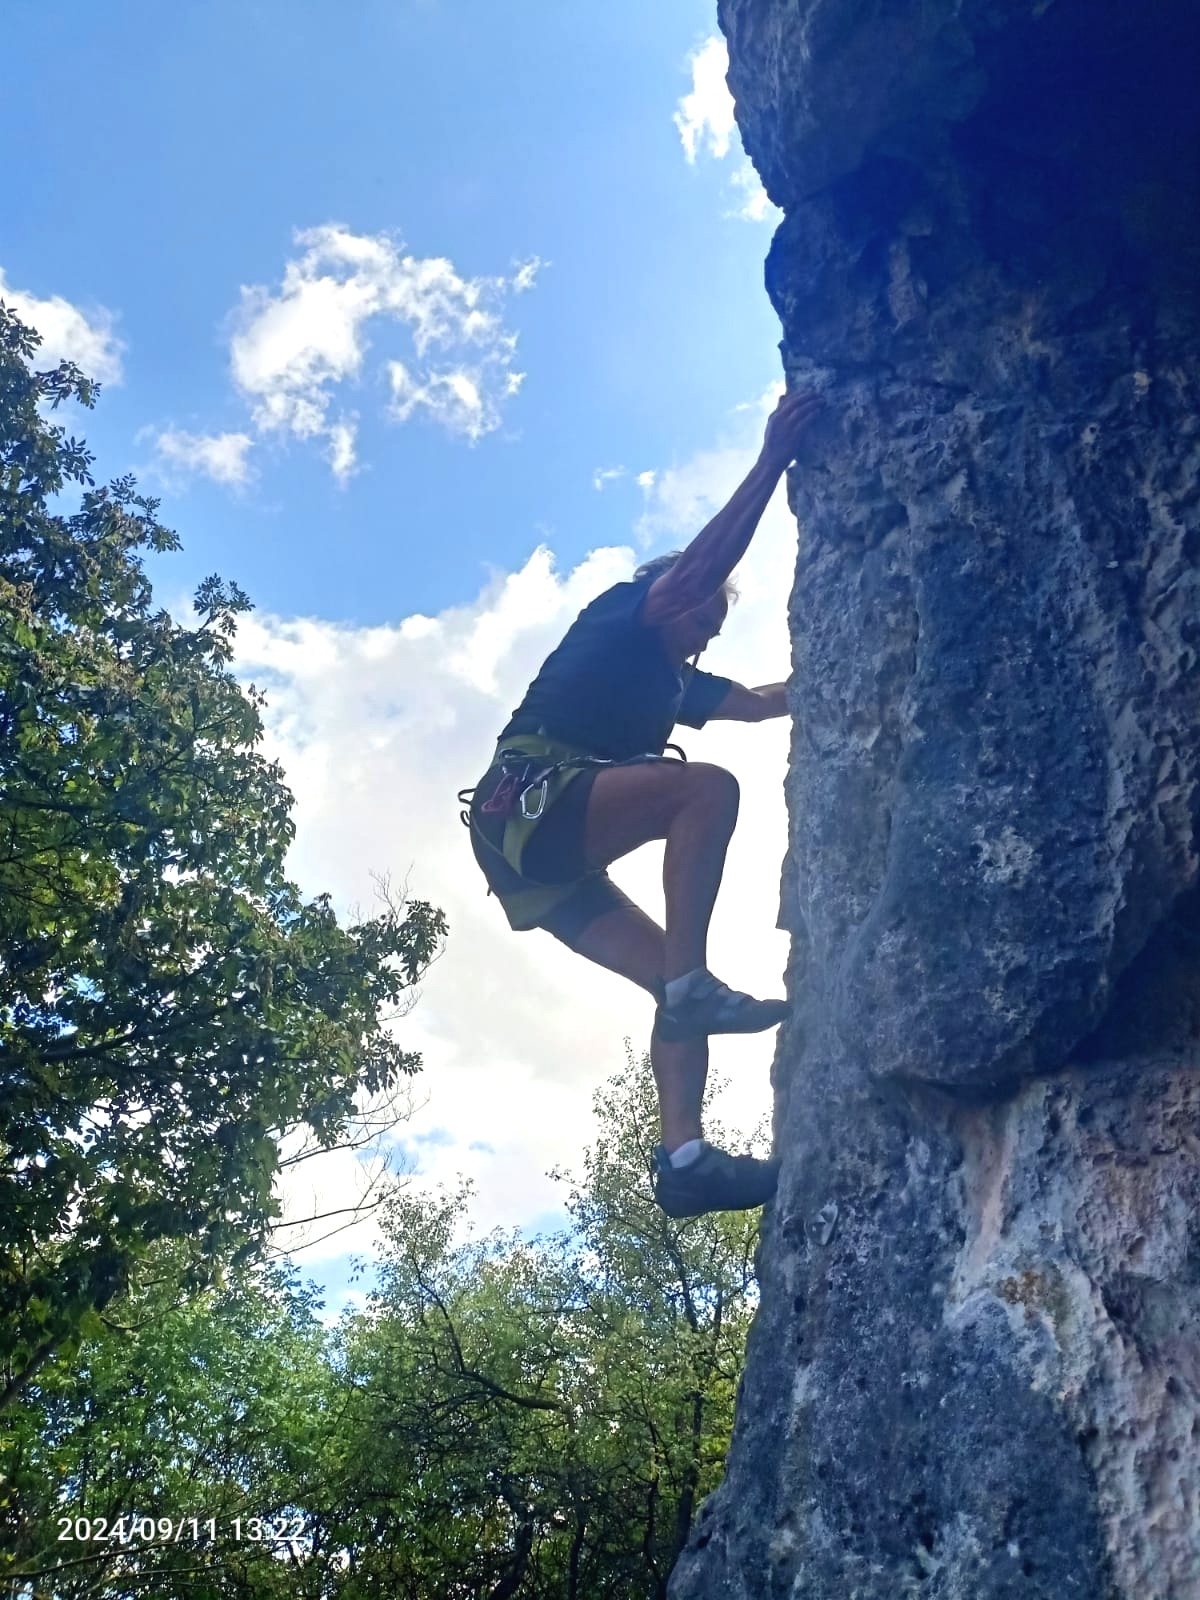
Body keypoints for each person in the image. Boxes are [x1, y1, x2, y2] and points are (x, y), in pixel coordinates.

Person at [461, 389, 823, 1218]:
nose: (711, 627)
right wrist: (772, 460)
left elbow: (764, 702)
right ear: (670, 596)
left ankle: (683, 1158)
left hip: (532, 865)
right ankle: (694, 980)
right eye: (705, 613)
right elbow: (691, 574)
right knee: (704, 789)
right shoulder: (623, 615)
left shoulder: (673, 683)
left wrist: (851, 664)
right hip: (528, 799)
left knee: (666, 984)